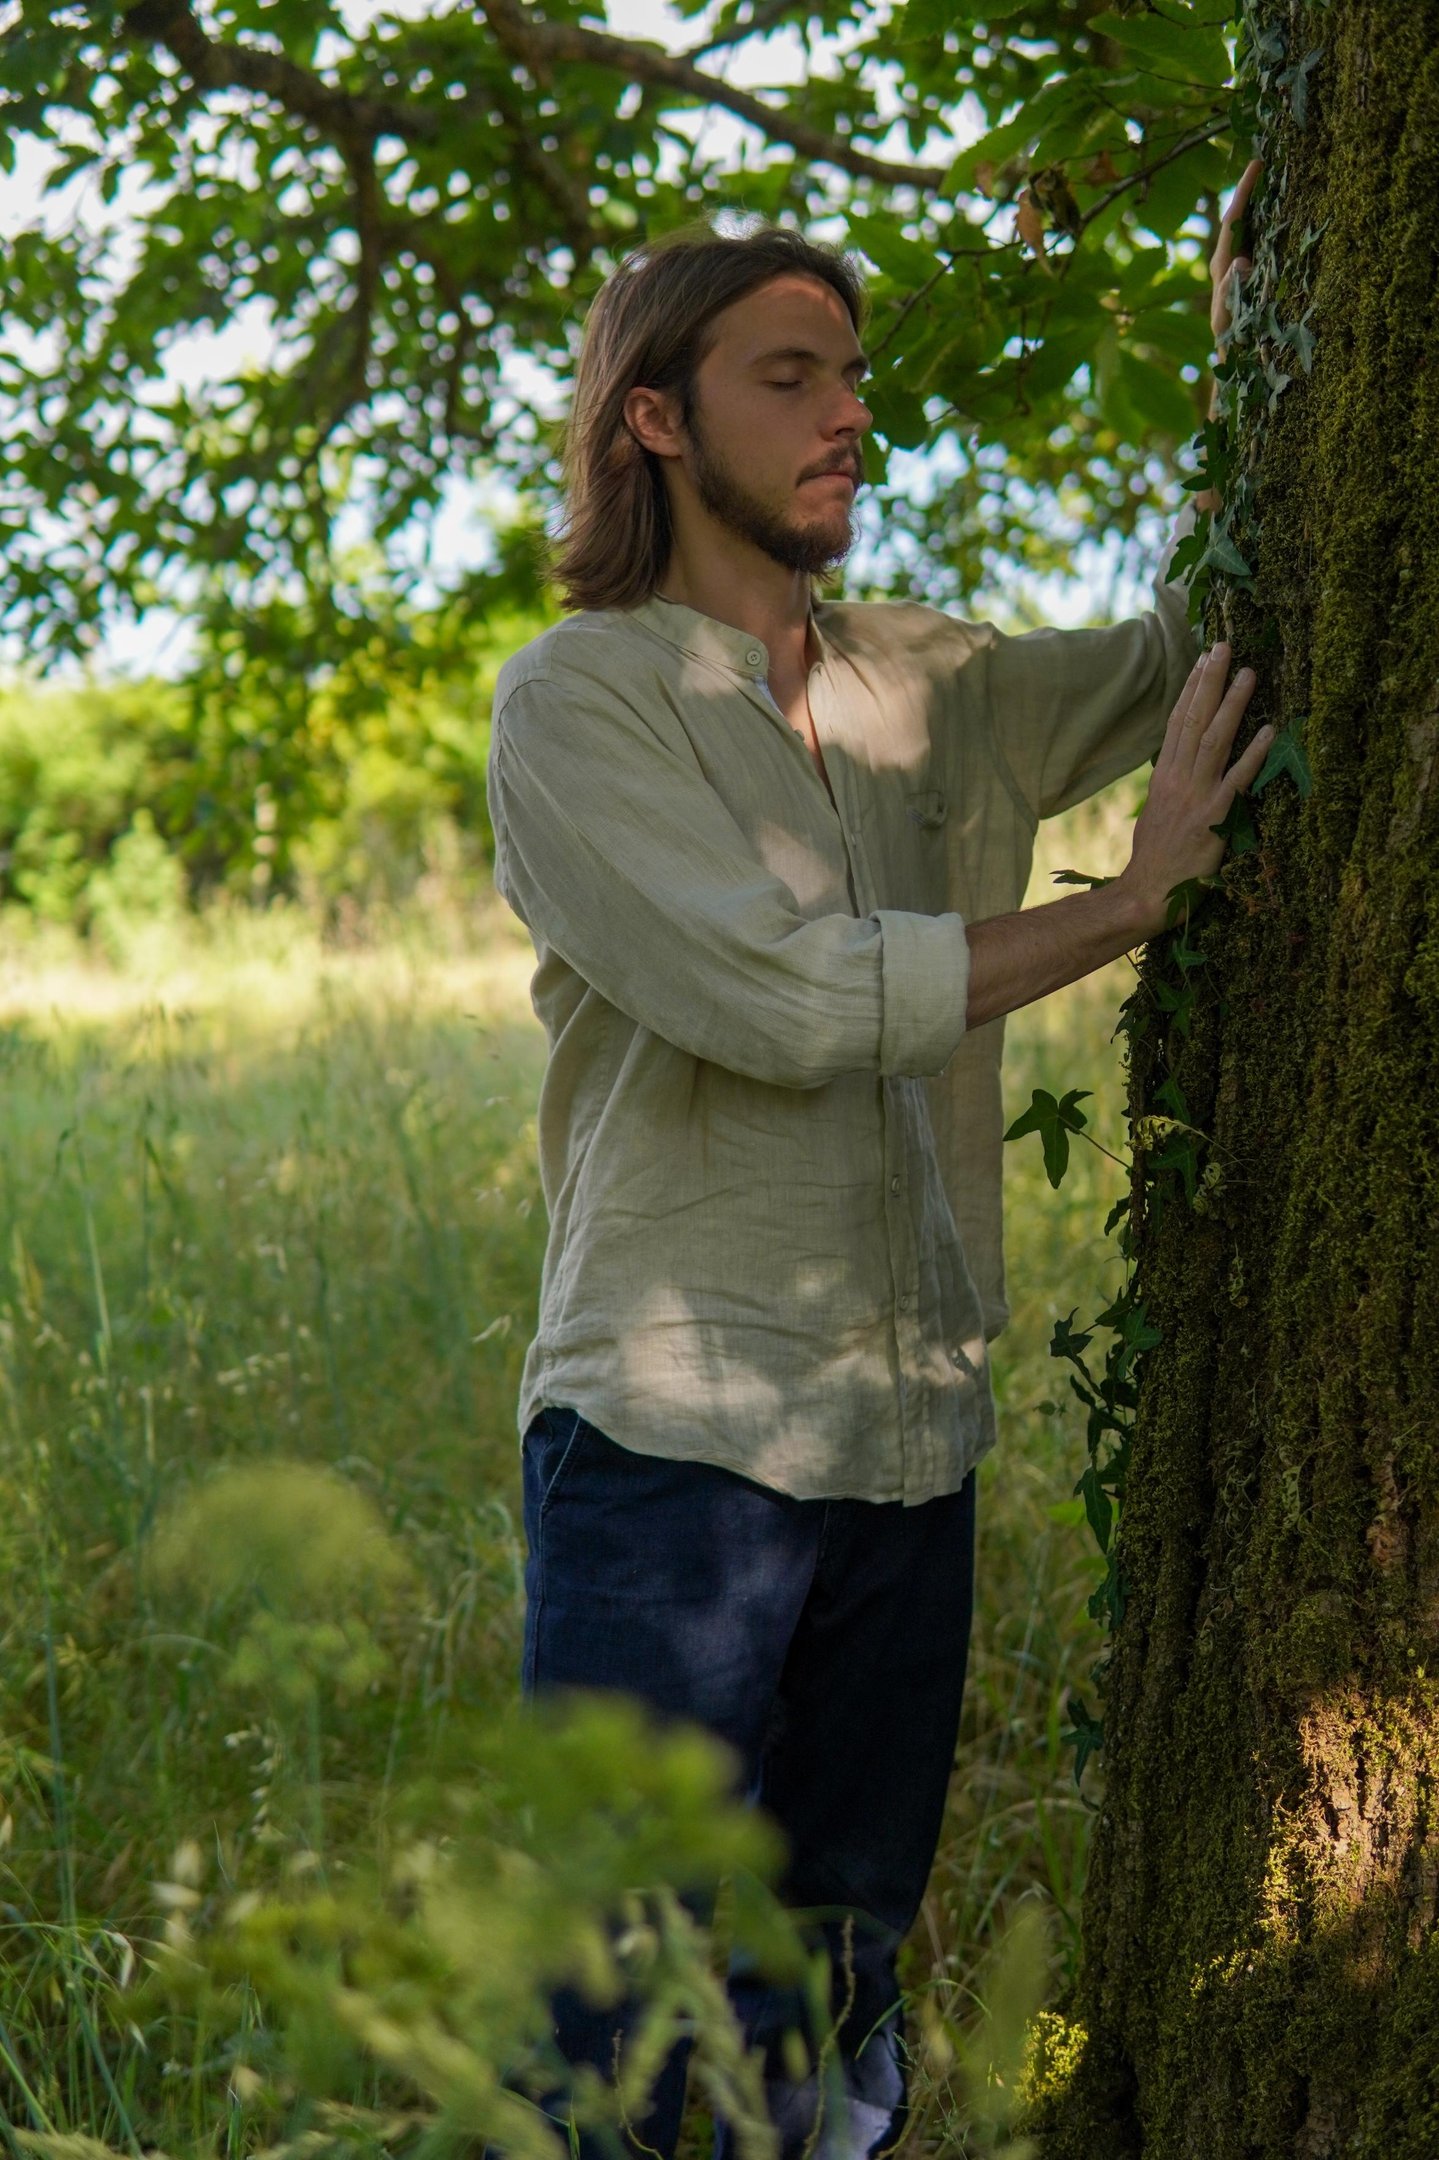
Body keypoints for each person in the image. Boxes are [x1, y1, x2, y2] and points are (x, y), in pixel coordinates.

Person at [486, 166, 1267, 2160]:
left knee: (836, 2009)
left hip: (908, 1441)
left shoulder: (925, 681)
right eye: (790, 377)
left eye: (853, 378)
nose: (850, 413)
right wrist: (1124, 908)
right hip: (673, 1452)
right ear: (657, 419)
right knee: (627, 2031)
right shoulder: (580, 701)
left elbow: (1202, 643)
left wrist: (1256, 341)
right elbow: (790, 996)